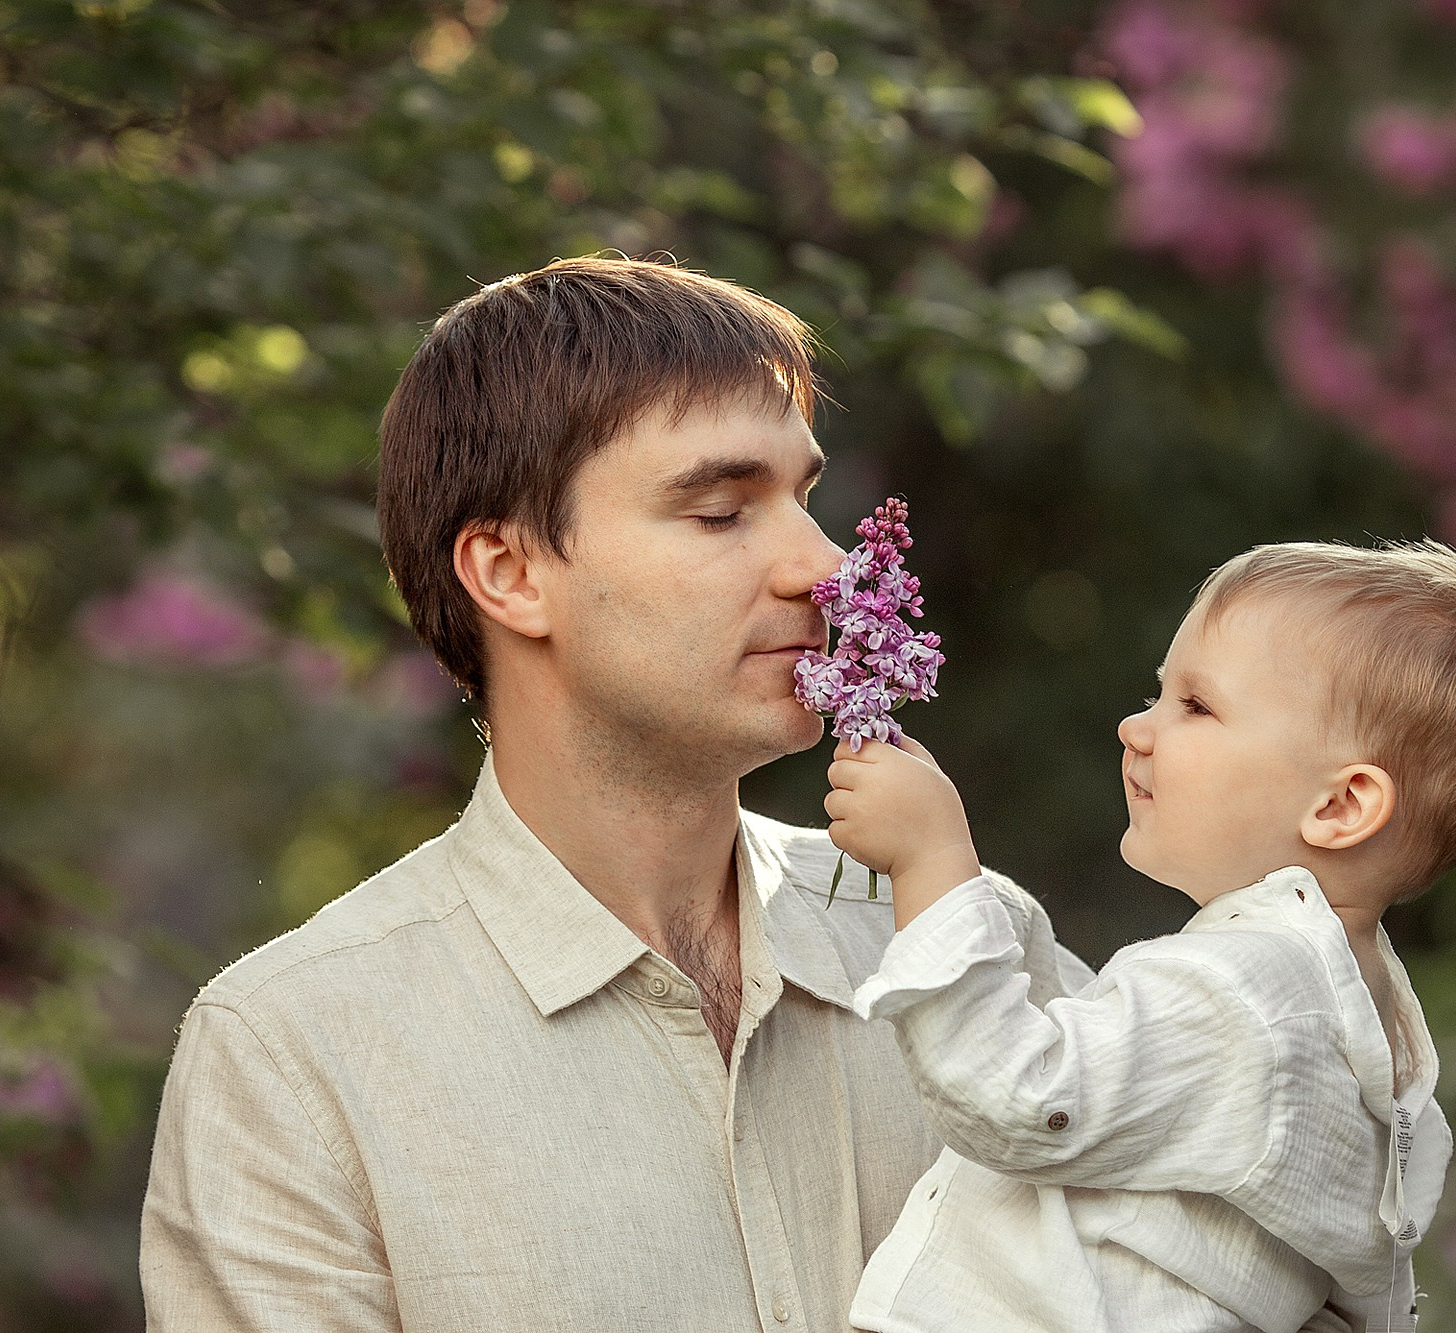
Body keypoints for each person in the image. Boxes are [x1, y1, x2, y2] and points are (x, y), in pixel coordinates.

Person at [137, 257, 1092, 1332]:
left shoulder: (969, 945)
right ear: (508, 574)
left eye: (806, 499)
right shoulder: (296, 1056)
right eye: (722, 511)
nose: (824, 566)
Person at [823, 540, 1456, 1333]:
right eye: (1157, 693)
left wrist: (932, 862)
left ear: (1341, 806)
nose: (1136, 726)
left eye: (1196, 705)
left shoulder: (1247, 989)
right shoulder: (1356, 1011)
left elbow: (1021, 1096)